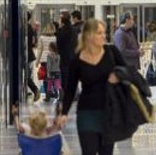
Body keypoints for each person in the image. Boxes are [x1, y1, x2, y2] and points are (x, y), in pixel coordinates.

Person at [57, 18, 127, 155]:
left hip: (108, 112)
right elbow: (70, 88)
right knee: (88, 151)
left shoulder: (111, 52)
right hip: (86, 113)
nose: (104, 36)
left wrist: (118, 76)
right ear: (89, 35)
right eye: (100, 33)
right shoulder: (77, 60)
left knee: (106, 152)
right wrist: (64, 113)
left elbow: (128, 72)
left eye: (104, 32)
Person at [36, 22, 58, 98]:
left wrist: (37, 61)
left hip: (44, 59)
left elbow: (40, 50)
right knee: (53, 76)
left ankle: (47, 94)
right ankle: (54, 92)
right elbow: (56, 50)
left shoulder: (41, 38)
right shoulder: (55, 38)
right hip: (53, 59)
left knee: (45, 77)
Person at [56, 11, 77, 87]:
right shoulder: (74, 29)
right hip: (73, 56)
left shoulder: (62, 30)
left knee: (64, 76)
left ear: (62, 19)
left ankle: (65, 94)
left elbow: (58, 43)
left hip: (64, 57)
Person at [26, 12, 40, 102]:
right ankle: (28, 91)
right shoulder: (29, 27)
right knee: (27, 75)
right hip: (29, 55)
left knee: (26, 76)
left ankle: (35, 90)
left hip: (27, 56)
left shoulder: (26, 28)